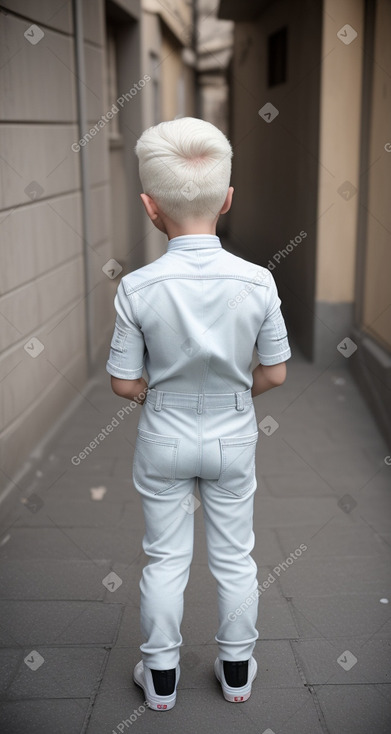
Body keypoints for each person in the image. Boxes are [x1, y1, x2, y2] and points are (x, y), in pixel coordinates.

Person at [106, 117, 291, 711]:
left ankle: (160, 677)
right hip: (233, 434)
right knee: (237, 555)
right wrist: (233, 397)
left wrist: (159, 396)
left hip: (163, 431)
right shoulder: (258, 280)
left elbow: (122, 381)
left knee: (165, 556)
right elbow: (276, 372)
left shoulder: (137, 287)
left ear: (149, 206)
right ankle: (236, 669)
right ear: (228, 198)